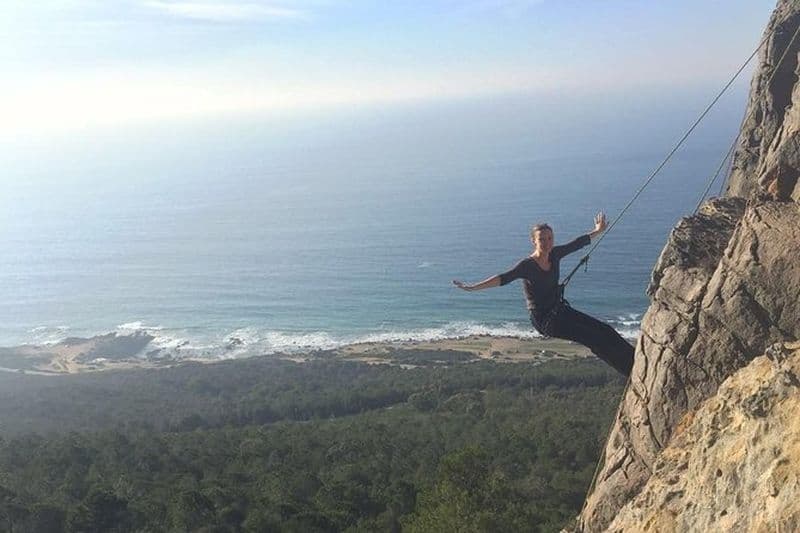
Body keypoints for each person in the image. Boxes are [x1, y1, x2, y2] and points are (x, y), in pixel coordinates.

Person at [452, 212, 634, 376]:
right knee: (593, 338)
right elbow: (503, 278)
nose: (547, 243)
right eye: (542, 239)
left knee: (605, 330)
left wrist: (597, 231)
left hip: (559, 310)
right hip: (545, 320)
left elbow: (576, 244)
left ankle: (635, 357)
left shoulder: (555, 254)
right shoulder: (527, 265)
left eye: (549, 238)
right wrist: (472, 288)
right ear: (534, 241)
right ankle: (629, 370)